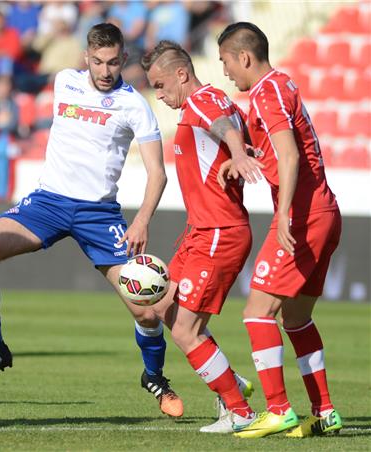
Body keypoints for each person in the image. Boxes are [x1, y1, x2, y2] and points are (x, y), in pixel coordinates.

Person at [0, 23, 186, 418]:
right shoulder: (65, 82)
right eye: (97, 61)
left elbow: (158, 173)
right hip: (47, 202)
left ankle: (155, 377)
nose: (104, 70)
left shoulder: (134, 104)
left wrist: (142, 220)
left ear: (124, 60)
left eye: (113, 62)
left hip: (98, 214)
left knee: (146, 308)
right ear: (85, 57)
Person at [217, 22, 343, 438]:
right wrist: (244, 158)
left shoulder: (266, 93)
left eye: (226, 62)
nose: (226, 72)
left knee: (257, 312)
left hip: (303, 217)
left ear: (245, 57)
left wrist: (285, 212)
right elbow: (282, 150)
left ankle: (278, 409)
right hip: (325, 211)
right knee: (296, 318)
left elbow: (288, 157)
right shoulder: (283, 85)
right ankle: (324, 411)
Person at [141, 40, 263, 433]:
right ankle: (229, 378)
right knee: (163, 309)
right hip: (201, 230)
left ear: (181, 74)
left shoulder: (202, 103)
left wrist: (238, 153)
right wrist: (241, 152)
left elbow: (224, 127)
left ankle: (239, 411)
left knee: (183, 330)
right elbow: (234, 130)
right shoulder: (218, 99)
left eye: (160, 85)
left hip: (219, 232)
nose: (159, 95)